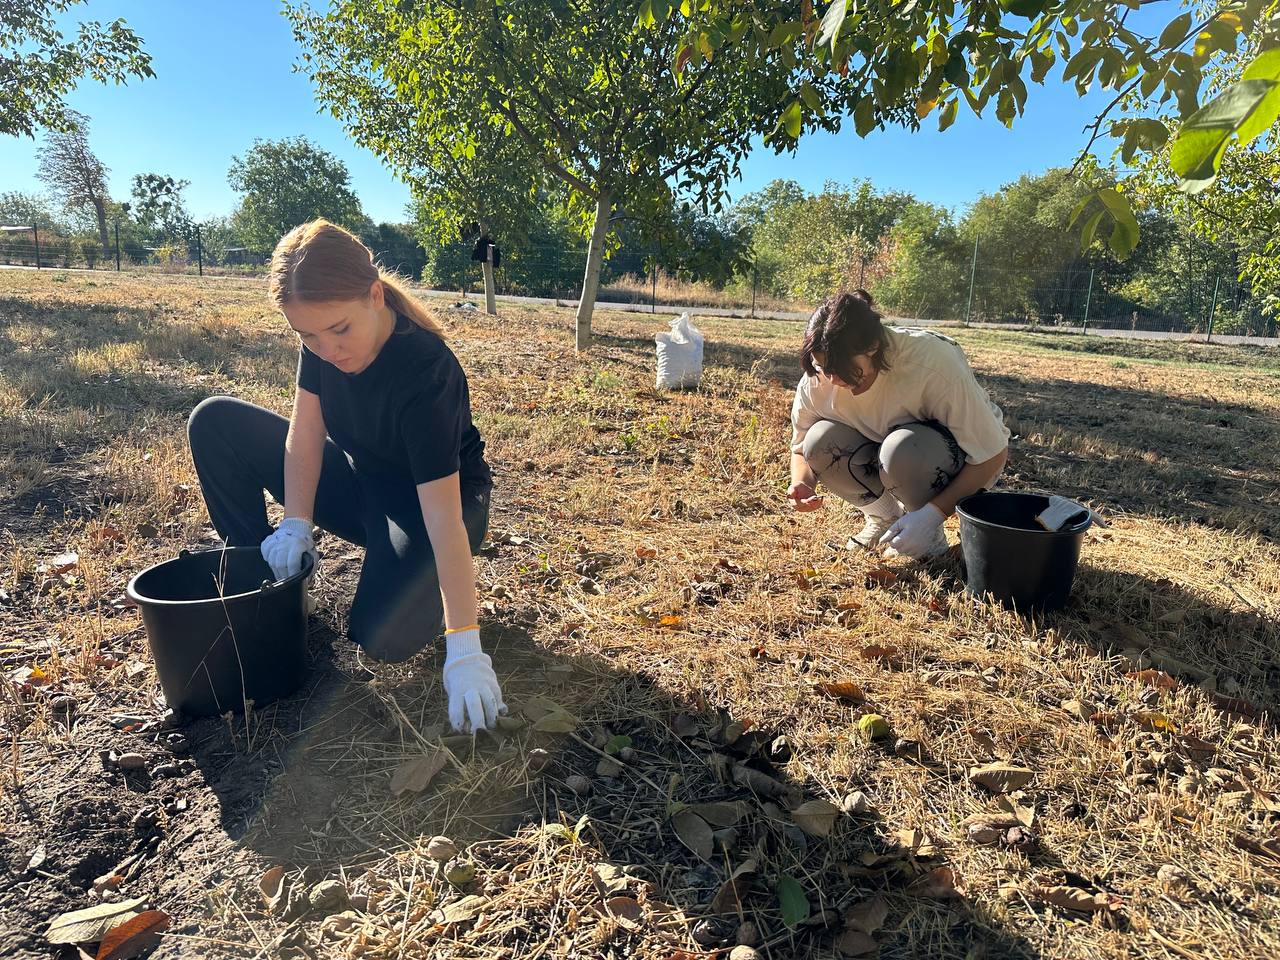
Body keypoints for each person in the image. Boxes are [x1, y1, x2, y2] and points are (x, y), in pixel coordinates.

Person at [186, 219, 503, 733]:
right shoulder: (322, 342)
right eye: (306, 335)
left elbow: (443, 517)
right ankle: (265, 586)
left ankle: (411, 579)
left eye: (338, 330)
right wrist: (295, 523)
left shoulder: (425, 370)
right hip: (366, 483)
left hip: (438, 507)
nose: (327, 350)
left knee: (380, 638)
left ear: (375, 296)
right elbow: (304, 435)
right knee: (215, 422)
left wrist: (464, 645)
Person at [786, 290, 1010, 558]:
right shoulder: (819, 377)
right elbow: (801, 448)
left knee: (901, 449)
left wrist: (930, 517)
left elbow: (991, 455)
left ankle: (926, 533)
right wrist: (802, 482)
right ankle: (885, 519)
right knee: (820, 440)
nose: (832, 379)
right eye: (823, 366)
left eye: (843, 367)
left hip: (956, 459)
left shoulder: (931, 362)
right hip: (886, 450)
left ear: (873, 347)